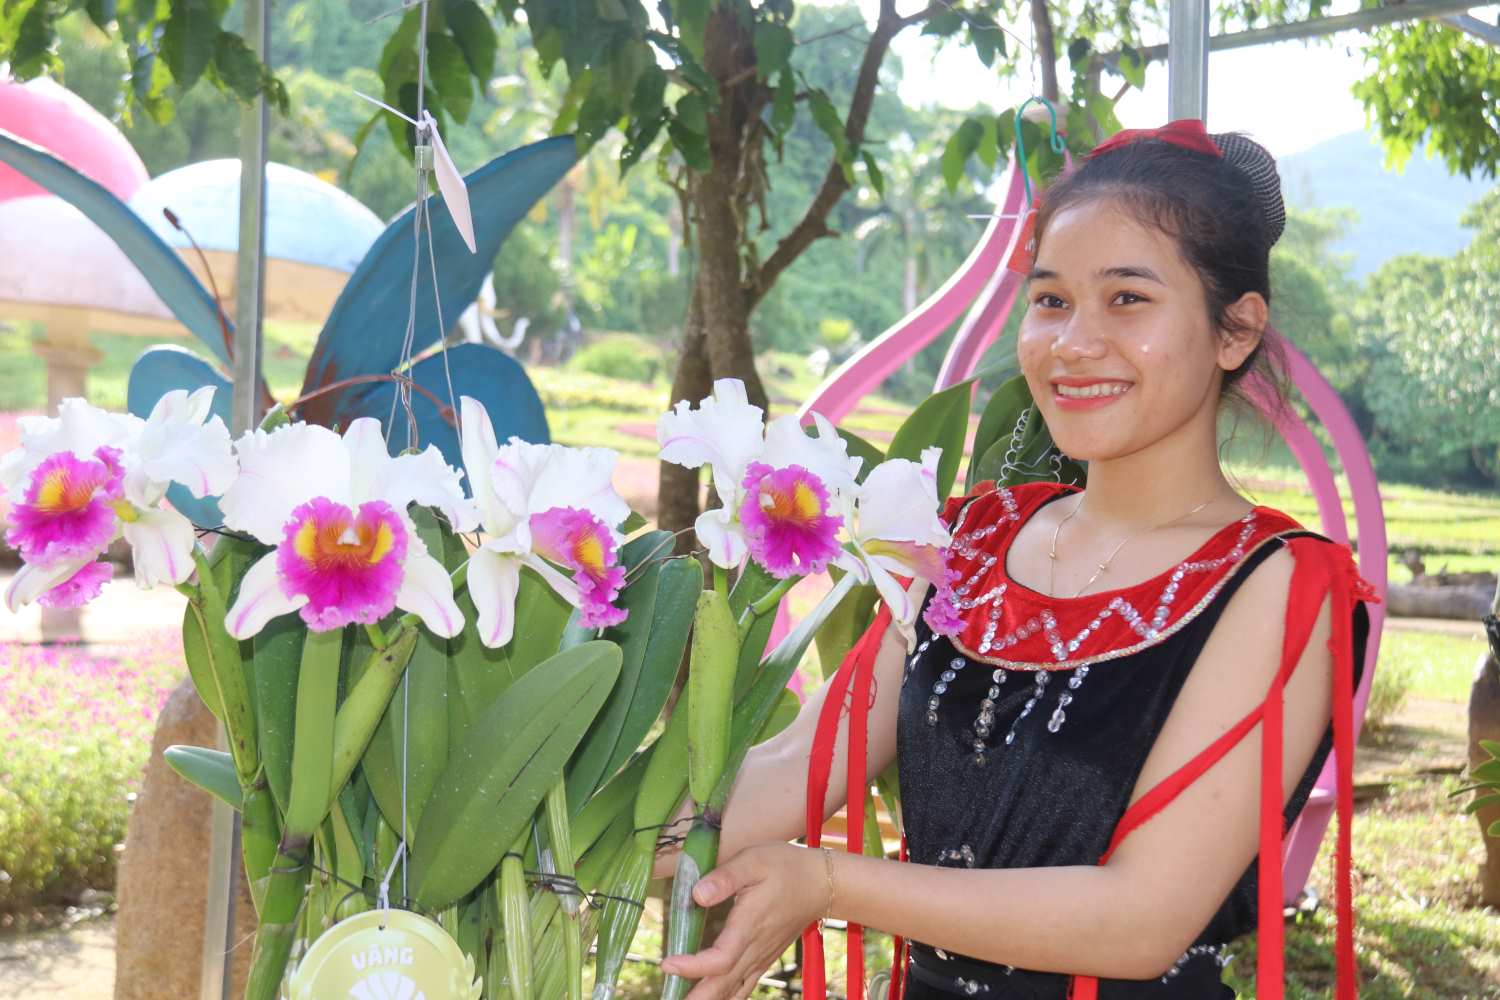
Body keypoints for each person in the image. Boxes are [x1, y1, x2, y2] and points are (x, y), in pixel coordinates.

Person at [655, 120, 1374, 1000]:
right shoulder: (970, 540)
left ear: (1235, 331)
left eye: (1128, 300)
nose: (1073, 343)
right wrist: (564, 815)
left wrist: (831, 884)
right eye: (1050, 300)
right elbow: (798, 767)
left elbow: (1141, 918)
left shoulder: (1281, 583)